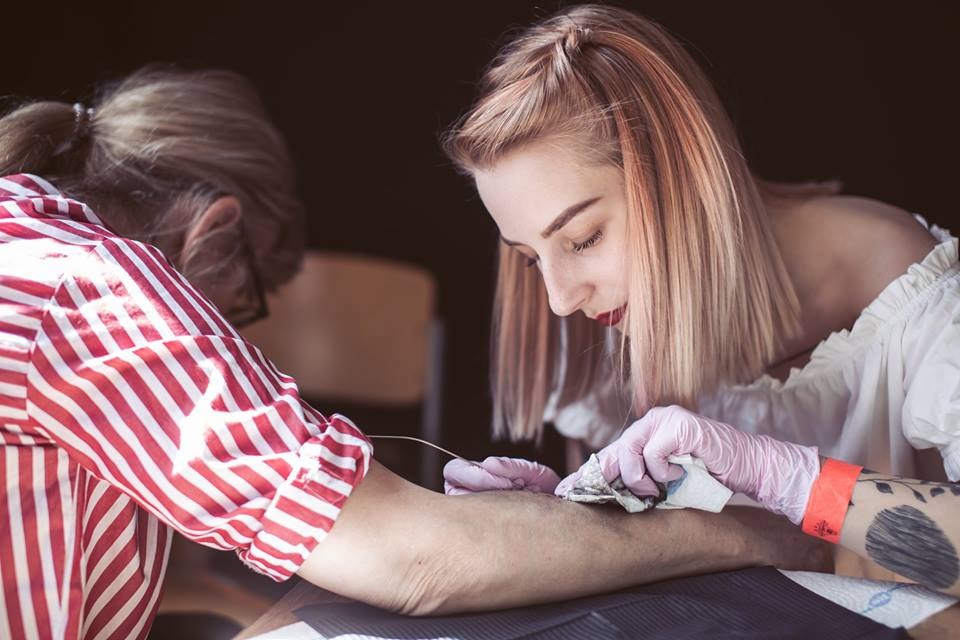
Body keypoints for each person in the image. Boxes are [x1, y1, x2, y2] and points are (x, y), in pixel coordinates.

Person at [0, 66, 827, 640]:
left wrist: (517, 527)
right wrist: (757, 533)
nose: (560, 301)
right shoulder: (90, 292)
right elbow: (413, 558)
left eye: (581, 238)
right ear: (214, 234)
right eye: (242, 308)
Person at [441, 4, 960, 596]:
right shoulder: (604, 309)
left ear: (681, 176)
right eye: (531, 258)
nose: (560, 299)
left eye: (584, 238)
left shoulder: (914, 291)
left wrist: (780, 475)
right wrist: (574, 520)